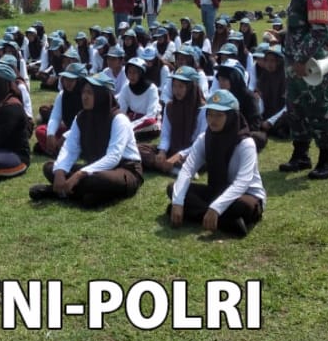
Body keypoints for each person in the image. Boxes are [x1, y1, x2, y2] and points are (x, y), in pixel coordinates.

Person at [29, 73, 144, 206]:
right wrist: (60, 171)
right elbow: (70, 148)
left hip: (124, 170)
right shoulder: (81, 117)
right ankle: (86, 194)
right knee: (50, 167)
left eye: (90, 93)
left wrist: (79, 174)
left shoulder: (119, 119)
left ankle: (57, 192)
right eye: (83, 92)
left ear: (101, 95)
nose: (84, 96)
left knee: (98, 180)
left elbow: (114, 157)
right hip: (94, 168)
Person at [277, 0, 328, 180]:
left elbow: (320, 31)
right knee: (297, 109)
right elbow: (301, 27)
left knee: (318, 109)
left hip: (311, 65)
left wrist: (302, 59)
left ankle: (327, 159)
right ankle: (301, 155)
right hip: (296, 66)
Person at [167, 90, 266, 237]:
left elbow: (242, 182)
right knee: (173, 189)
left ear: (232, 117)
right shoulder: (204, 138)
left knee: (243, 206)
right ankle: (226, 222)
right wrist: (178, 202)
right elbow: (188, 170)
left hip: (245, 195)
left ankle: (203, 214)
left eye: (219, 115)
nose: (212, 120)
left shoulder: (246, 144)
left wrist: (216, 208)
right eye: (210, 114)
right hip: (217, 190)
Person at [140, 66, 207, 175]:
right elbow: (166, 134)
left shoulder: (204, 110)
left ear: (191, 87)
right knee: (139, 149)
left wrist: (179, 155)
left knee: (201, 158)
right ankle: (172, 168)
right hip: (173, 149)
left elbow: (201, 142)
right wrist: (162, 152)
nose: (176, 90)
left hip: (191, 152)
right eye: (174, 86)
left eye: (181, 86)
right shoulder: (170, 106)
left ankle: (170, 166)